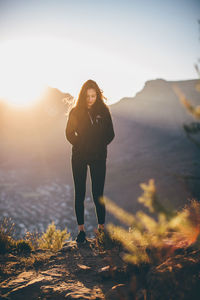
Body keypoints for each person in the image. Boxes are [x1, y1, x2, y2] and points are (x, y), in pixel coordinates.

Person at [65, 79, 115, 243]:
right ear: (82, 96)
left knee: (98, 193)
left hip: (99, 157)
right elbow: (69, 133)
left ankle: (101, 229)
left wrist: (98, 146)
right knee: (80, 193)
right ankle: (81, 232)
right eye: (87, 96)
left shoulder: (104, 111)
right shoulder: (75, 112)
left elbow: (111, 134)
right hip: (79, 156)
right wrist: (80, 144)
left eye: (93, 96)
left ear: (98, 96)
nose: (90, 99)